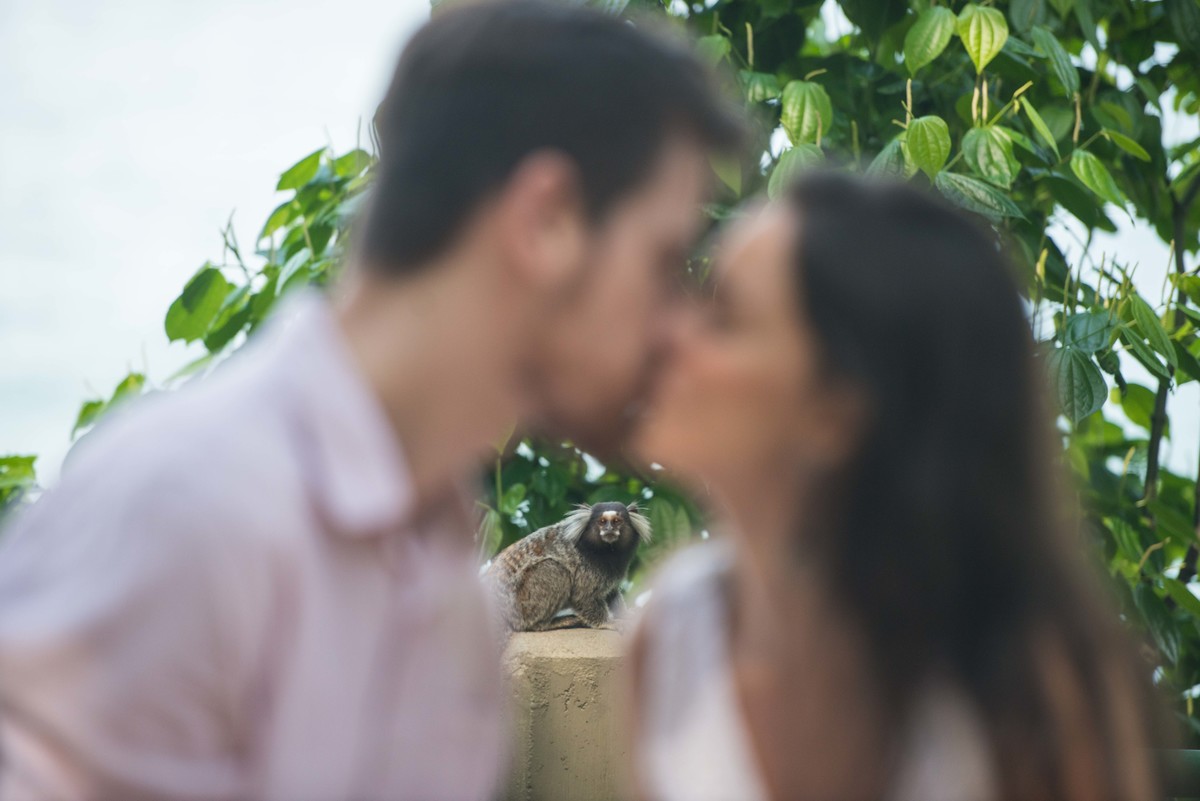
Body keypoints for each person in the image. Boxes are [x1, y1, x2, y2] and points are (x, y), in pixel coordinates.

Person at [0, 2, 743, 798]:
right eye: (664, 261)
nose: (680, 326)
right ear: (547, 221)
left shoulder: (441, 572)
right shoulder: (187, 511)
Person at [628, 172, 1163, 801]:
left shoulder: (1030, 689)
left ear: (836, 410)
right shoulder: (674, 635)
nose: (668, 334)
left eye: (723, 319)